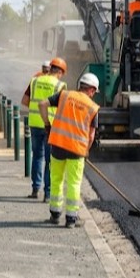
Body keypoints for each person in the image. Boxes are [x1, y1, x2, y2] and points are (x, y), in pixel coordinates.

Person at [38, 72, 101, 228]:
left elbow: (42, 104)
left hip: (58, 145)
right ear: (92, 90)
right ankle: (71, 219)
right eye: (94, 92)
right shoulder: (93, 107)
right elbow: (91, 135)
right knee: (74, 183)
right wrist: (86, 150)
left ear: (80, 86)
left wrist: (47, 125)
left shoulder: (64, 95)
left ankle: (54, 214)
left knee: (56, 179)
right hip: (76, 150)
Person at [21, 57, 67, 200]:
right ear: (60, 72)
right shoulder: (60, 85)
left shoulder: (35, 81)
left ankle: (35, 189)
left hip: (34, 123)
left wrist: (36, 111)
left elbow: (25, 101)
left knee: (37, 157)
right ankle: (47, 194)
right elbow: (63, 108)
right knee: (50, 160)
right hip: (51, 126)